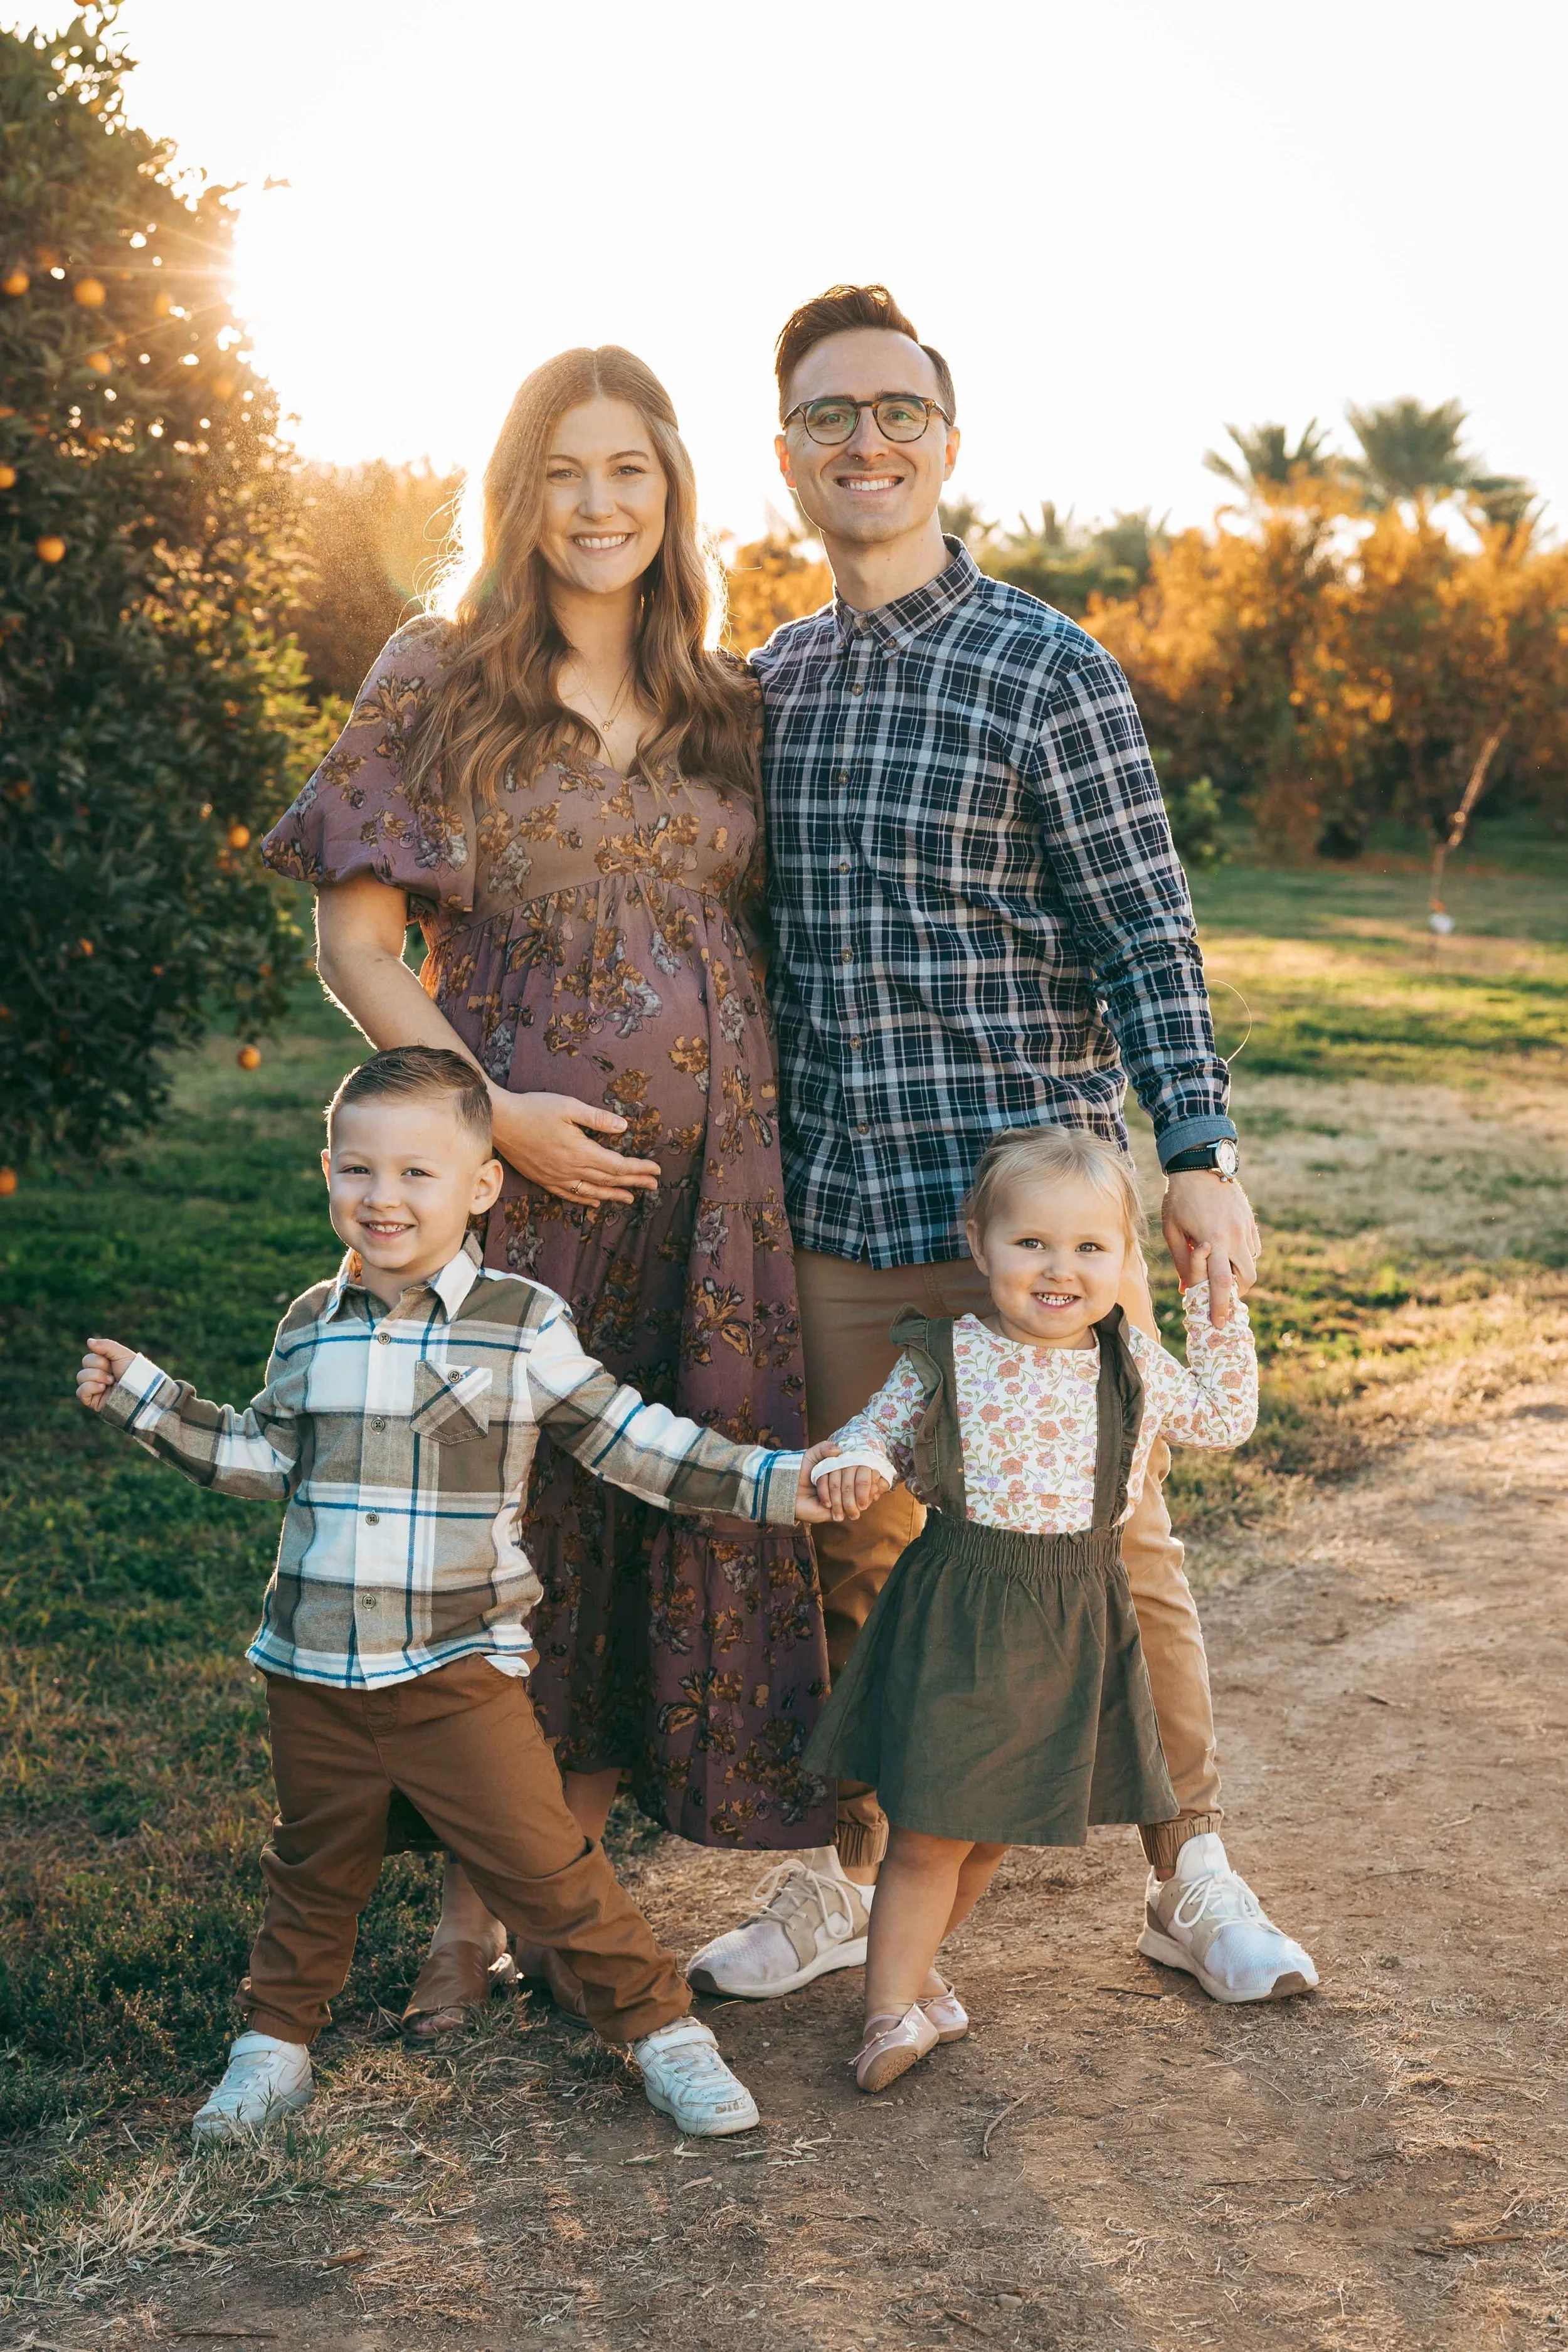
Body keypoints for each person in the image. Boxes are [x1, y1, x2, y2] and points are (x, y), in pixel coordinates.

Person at [687, 283, 1318, 2008]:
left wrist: (1196, 1148)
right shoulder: (766, 687)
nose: (865, 441)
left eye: (896, 410)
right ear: (786, 456)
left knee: (1116, 1548)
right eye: (829, 415)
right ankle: (850, 1874)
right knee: (857, 1551)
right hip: (846, 1201)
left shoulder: (1048, 667)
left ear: (946, 441)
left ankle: (1187, 1871)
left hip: (1041, 1224)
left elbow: (1144, 929)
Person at [262, 347, 832, 2036]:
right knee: (514, 1525)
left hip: (715, 1197)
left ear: (671, 491)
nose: (598, 503)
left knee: (643, 1513)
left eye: (629, 470)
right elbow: (356, 941)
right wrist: (496, 1120)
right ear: (518, 493)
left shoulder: (724, 697)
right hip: (518, 1176)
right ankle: (470, 1915)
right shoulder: (440, 674)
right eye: (565, 471)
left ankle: (555, 1897)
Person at [74, 1047, 836, 2143]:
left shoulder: (520, 1322)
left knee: (548, 1866)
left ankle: (664, 2031)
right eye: (358, 1169)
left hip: (455, 1667)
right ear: (328, 1172)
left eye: (417, 1173)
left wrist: (773, 1481)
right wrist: (149, 1401)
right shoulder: (311, 1321)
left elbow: (629, 1440)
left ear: (481, 1185)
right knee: (312, 1868)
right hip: (314, 1668)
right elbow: (263, 1457)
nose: (383, 1197)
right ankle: (273, 2046)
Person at [803, 1128, 1283, 2091]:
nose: (1061, 1269)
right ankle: (888, 2011)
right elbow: (876, 1432)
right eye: (1031, 1243)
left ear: (1123, 1258)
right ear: (978, 1244)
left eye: (1090, 1247)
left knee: (991, 1829)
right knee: (931, 1826)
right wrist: (854, 1460)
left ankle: (919, 1972)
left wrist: (1215, 1306)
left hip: (1070, 1625)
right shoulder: (947, 1354)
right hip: (960, 1618)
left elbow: (1225, 1418)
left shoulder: (1131, 1361)